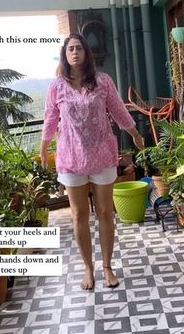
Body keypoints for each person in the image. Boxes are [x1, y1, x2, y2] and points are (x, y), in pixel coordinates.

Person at [40, 33, 144, 290]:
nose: (74, 52)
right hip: (71, 156)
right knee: (78, 215)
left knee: (106, 211)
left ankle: (107, 266)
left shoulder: (102, 81)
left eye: (79, 48)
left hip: (102, 154)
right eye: (70, 49)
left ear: (86, 53)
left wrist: (135, 134)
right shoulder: (57, 86)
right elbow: (50, 118)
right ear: (65, 55)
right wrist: (43, 147)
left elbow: (118, 109)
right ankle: (88, 268)